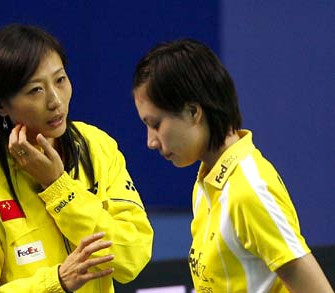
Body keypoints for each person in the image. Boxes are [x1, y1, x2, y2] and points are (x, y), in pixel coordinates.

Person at [0, 23, 153, 292]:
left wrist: (58, 186)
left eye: (60, 80)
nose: (55, 101)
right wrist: (57, 283)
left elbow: (132, 257)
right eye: (36, 90)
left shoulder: (97, 147)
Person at [132, 39, 333, 292]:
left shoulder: (249, 190)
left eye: (156, 124)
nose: (150, 141)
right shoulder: (205, 185)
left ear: (194, 112)